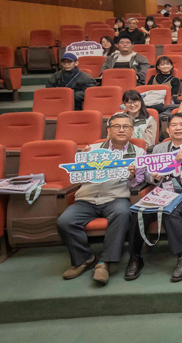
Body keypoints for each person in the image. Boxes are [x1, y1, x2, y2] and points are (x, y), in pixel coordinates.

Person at [57, 113, 145, 285]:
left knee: (122, 214)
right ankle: (84, 259)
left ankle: (105, 263)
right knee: (64, 221)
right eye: (116, 126)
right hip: (87, 197)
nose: (121, 130)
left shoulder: (139, 152)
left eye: (126, 126)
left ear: (132, 131)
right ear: (109, 130)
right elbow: (79, 178)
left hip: (116, 197)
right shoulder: (93, 149)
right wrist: (82, 164)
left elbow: (138, 182)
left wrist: (132, 176)